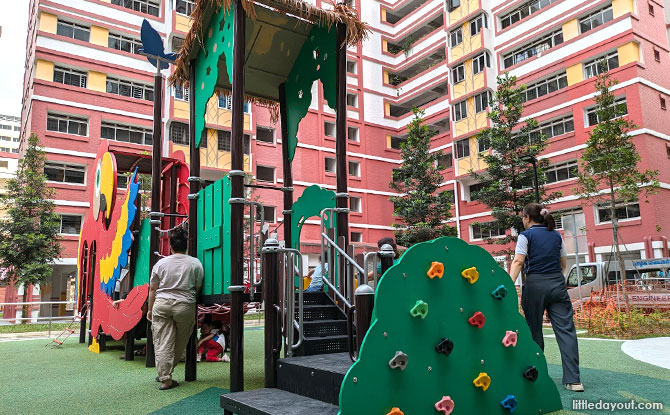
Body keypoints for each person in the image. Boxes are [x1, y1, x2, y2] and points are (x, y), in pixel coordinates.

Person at [509, 203, 584, 392]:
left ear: (527, 217)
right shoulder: (556, 236)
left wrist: (509, 282)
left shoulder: (525, 236)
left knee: (534, 331)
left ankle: (535, 375)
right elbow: (563, 262)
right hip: (557, 285)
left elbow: (518, 261)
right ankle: (574, 381)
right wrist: (556, 279)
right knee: (566, 331)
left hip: (535, 286)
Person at [148, 226, 203, 390]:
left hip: (162, 304)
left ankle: (165, 377)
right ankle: (167, 373)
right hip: (185, 305)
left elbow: (153, 288)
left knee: (163, 340)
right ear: (186, 245)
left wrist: (150, 309)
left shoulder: (161, 263)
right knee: (180, 341)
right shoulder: (195, 263)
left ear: (170, 247)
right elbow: (197, 287)